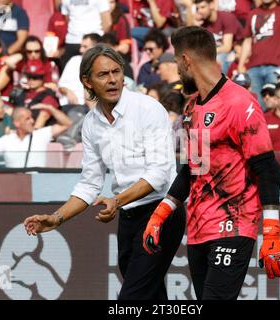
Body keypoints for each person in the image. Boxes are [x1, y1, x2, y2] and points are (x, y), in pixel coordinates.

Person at [23, 44, 186, 300]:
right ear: (86, 81)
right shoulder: (90, 124)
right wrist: (56, 219)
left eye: (116, 72)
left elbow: (159, 175)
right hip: (128, 217)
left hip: (162, 213)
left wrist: (116, 200)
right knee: (151, 297)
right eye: (103, 75)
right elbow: (89, 185)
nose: (112, 80)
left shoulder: (149, 109)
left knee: (131, 298)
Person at [142, 26, 280, 300]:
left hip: (233, 227)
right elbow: (192, 170)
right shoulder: (192, 107)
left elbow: (268, 168)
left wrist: (271, 231)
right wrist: (161, 213)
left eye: (177, 62)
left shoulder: (239, 102)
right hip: (199, 229)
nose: (177, 69)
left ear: (187, 60)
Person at [0, 105, 71, 168]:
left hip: (38, 185)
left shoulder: (40, 134)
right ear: (17, 123)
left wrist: (50, 108)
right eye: (27, 119)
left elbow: (67, 124)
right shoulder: (6, 140)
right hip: (14, 186)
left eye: (32, 118)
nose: (32, 121)